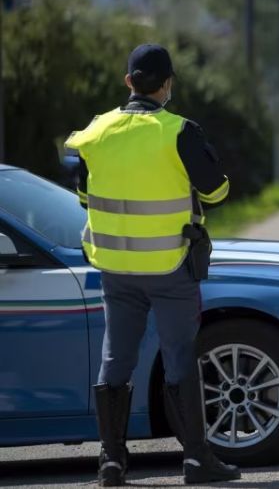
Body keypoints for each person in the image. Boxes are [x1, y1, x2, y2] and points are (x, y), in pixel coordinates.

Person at [65, 45, 240, 486]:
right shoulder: (178, 131)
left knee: (116, 358)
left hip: (115, 268)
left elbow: (85, 198)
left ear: (128, 82)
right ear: (167, 84)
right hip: (169, 266)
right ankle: (197, 460)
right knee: (180, 356)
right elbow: (217, 192)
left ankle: (110, 462)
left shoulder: (97, 131)